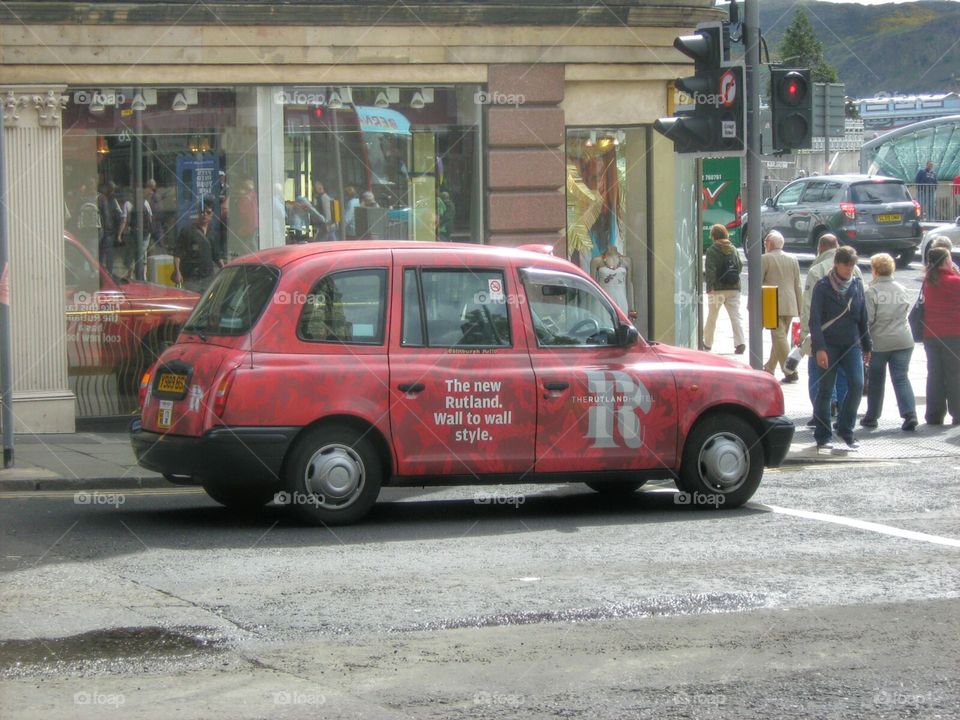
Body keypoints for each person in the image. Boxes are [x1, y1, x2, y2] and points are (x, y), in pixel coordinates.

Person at [809, 246, 872, 450]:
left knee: (857, 383)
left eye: (852, 265)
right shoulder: (822, 286)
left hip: (852, 343)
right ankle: (823, 435)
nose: (849, 269)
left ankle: (846, 429)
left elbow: (863, 317)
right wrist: (819, 348)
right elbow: (815, 321)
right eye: (846, 264)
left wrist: (867, 345)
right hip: (828, 345)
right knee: (826, 390)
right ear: (836, 263)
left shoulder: (856, 285)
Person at [798, 233, 861, 425]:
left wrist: (804, 336)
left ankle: (821, 416)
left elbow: (809, 306)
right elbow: (860, 304)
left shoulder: (816, 270)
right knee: (845, 377)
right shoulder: (855, 269)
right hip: (849, 337)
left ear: (821, 249)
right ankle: (843, 414)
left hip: (823, 337)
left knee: (818, 376)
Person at [861, 253, 917, 431]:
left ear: (875, 270)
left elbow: (868, 320)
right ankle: (910, 414)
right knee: (901, 378)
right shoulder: (901, 288)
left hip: (880, 343)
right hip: (904, 340)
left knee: (876, 380)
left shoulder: (872, 291)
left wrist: (864, 344)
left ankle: (872, 417)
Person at [919, 247, 960, 425]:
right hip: (953, 334)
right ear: (945, 261)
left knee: (934, 374)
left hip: (930, 334)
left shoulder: (927, 280)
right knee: (954, 375)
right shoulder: (955, 281)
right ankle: (957, 413)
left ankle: (934, 414)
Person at [761, 230, 803, 382]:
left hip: (772, 302)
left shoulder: (765, 259)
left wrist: (752, 305)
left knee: (778, 337)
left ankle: (790, 370)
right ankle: (769, 368)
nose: (765, 244)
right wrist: (800, 306)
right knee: (780, 338)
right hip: (790, 303)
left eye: (766, 242)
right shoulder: (793, 258)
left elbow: (757, 283)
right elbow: (798, 284)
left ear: (770, 244)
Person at [702, 224, 745, 354]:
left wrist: (710, 287)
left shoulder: (712, 250)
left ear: (713, 236)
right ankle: (740, 343)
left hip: (717, 289)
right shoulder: (733, 249)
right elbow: (740, 265)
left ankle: (707, 344)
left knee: (712, 317)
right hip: (734, 288)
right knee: (735, 316)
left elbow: (710, 271)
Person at [172, 196, 223, 293]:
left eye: (208, 212)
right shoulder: (187, 231)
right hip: (191, 278)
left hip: (208, 277)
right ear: (198, 212)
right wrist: (178, 272)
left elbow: (217, 256)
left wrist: (224, 270)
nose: (204, 215)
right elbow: (177, 254)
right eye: (202, 212)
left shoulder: (213, 233)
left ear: (212, 215)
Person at [590, 244, 634, 317]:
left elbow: (630, 285)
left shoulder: (627, 261)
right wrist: (589, 310)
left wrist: (632, 310)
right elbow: (592, 287)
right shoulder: (596, 261)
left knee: (621, 325)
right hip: (602, 303)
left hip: (621, 302)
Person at [97, 181, 124, 275]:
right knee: (106, 253)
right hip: (106, 230)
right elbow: (119, 216)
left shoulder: (107, 200)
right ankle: (106, 273)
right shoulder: (106, 200)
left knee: (105, 253)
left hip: (105, 230)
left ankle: (105, 272)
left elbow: (119, 216)